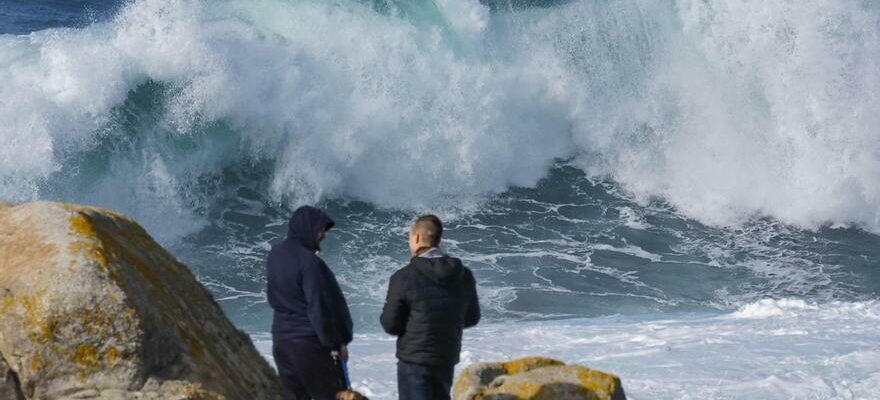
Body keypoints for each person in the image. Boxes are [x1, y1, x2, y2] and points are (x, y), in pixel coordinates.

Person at [380, 215, 480, 400]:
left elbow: (390, 324)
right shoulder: (463, 275)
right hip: (446, 356)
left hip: (414, 359)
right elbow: (472, 317)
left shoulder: (403, 277)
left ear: (416, 238)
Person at [267, 205, 353, 400]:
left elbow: (272, 296)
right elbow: (319, 308)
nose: (323, 234)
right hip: (308, 344)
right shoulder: (309, 262)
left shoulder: (275, 255)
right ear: (308, 228)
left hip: (281, 343)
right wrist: (336, 343)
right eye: (321, 229)